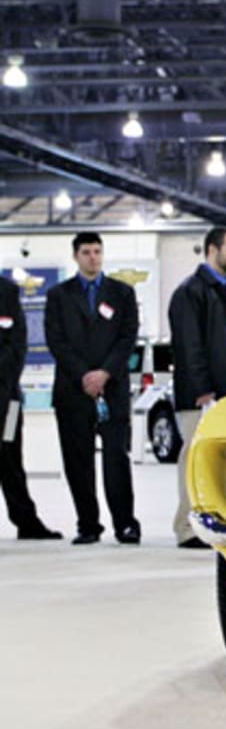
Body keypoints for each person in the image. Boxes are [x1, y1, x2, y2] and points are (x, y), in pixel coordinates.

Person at [44, 232, 140, 545]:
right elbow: (55, 340)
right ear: (76, 256)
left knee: (116, 458)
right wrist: (85, 375)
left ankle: (125, 524)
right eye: (86, 252)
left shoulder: (122, 293)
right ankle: (88, 524)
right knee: (78, 461)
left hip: (112, 389)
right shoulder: (58, 295)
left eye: (98, 251)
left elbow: (127, 338)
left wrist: (105, 373)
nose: (93, 258)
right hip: (73, 391)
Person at [167, 227, 226, 549]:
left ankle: (220, 521)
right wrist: (202, 388)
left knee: (225, 464)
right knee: (194, 459)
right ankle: (186, 526)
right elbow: (188, 345)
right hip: (201, 396)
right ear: (211, 250)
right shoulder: (190, 292)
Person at [0, 273, 62, 540]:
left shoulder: (7, 292)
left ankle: (26, 520)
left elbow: (17, 343)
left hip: (8, 398)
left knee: (11, 459)